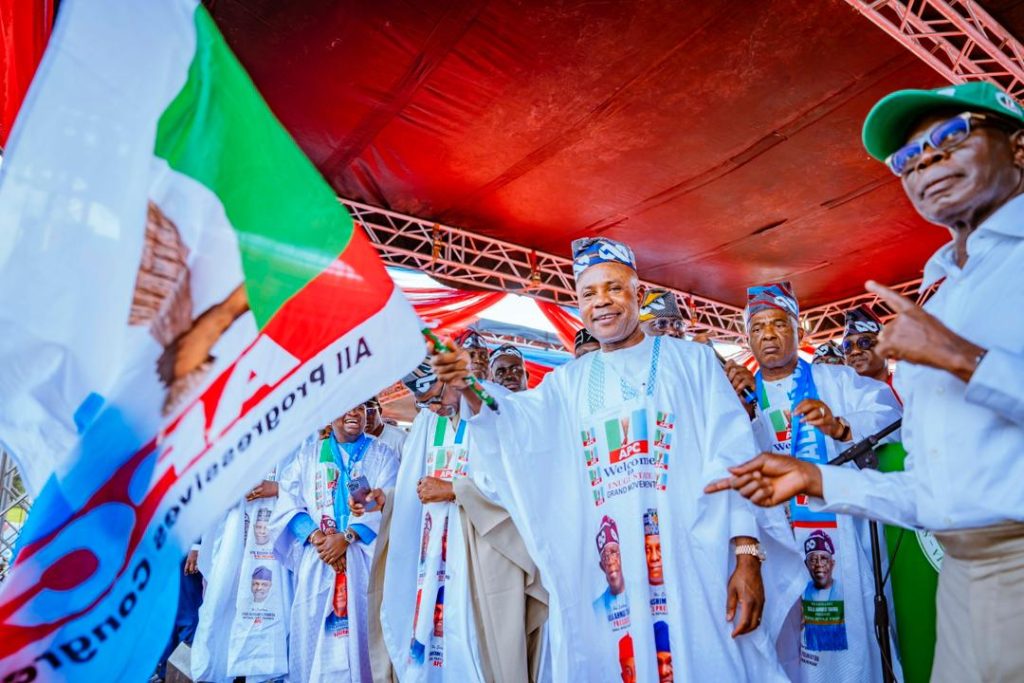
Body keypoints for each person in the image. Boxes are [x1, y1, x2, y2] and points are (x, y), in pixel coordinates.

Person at [706, 81, 1024, 683]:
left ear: (1018, 147)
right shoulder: (942, 295)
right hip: (960, 574)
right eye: (907, 158)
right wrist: (816, 477)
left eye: (950, 135)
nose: (925, 160)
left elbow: (886, 423)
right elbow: (928, 491)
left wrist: (960, 359)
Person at [427, 237, 803, 682]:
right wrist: (469, 388)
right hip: (610, 575)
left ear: (638, 295)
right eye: (588, 293)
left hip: (695, 566)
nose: (601, 302)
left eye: (613, 288)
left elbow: (734, 455)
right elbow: (512, 427)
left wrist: (747, 555)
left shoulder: (693, 363)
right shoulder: (566, 384)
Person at [722, 281, 902, 683]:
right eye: (757, 328)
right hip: (775, 540)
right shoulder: (739, 395)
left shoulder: (836, 380)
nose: (768, 335)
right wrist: (742, 409)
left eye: (778, 324)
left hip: (837, 535)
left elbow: (889, 414)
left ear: (799, 330)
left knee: (849, 649)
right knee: (784, 647)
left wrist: (841, 426)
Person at [377, 362, 548, 682]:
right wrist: (386, 499)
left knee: (486, 645)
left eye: (436, 397)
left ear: (451, 378)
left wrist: (456, 489)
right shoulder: (429, 419)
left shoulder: (493, 404)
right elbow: (414, 480)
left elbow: (518, 476)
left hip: (483, 549)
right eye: (425, 403)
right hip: (435, 555)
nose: (434, 408)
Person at [269, 402, 400, 682]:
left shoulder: (382, 455)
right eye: (345, 406)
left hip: (363, 562)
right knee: (313, 634)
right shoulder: (308, 456)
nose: (353, 413)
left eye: (360, 407)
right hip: (319, 561)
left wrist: (347, 538)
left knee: (363, 637)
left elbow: (389, 504)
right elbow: (288, 504)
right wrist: (319, 539)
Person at [191, 471, 292, 683]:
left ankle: (262, 673)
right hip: (233, 536)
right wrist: (197, 544)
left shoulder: (296, 450)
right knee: (222, 606)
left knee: (273, 607)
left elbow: (305, 483)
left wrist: (278, 488)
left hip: (277, 540)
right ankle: (219, 672)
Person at [841, 307, 891, 386]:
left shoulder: (908, 389)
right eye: (847, 346)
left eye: (864, 342)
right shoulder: (837, 393)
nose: (855, 351)